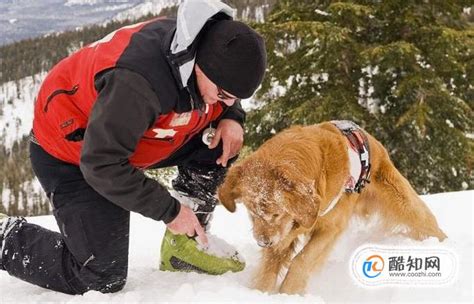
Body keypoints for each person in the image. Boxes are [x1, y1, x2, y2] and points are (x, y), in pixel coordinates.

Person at [0, 0, 266, 295]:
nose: (227, 101)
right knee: (101, 277)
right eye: (224, 94)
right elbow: (102, 164)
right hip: (74, 156)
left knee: (221, 141)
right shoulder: (137, 84)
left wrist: (232, 118)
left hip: (134, 140)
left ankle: (184, 246)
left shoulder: (207, 53)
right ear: (200, 65)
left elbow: (227, 94)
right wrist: (170, 211)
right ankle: (5, 237)